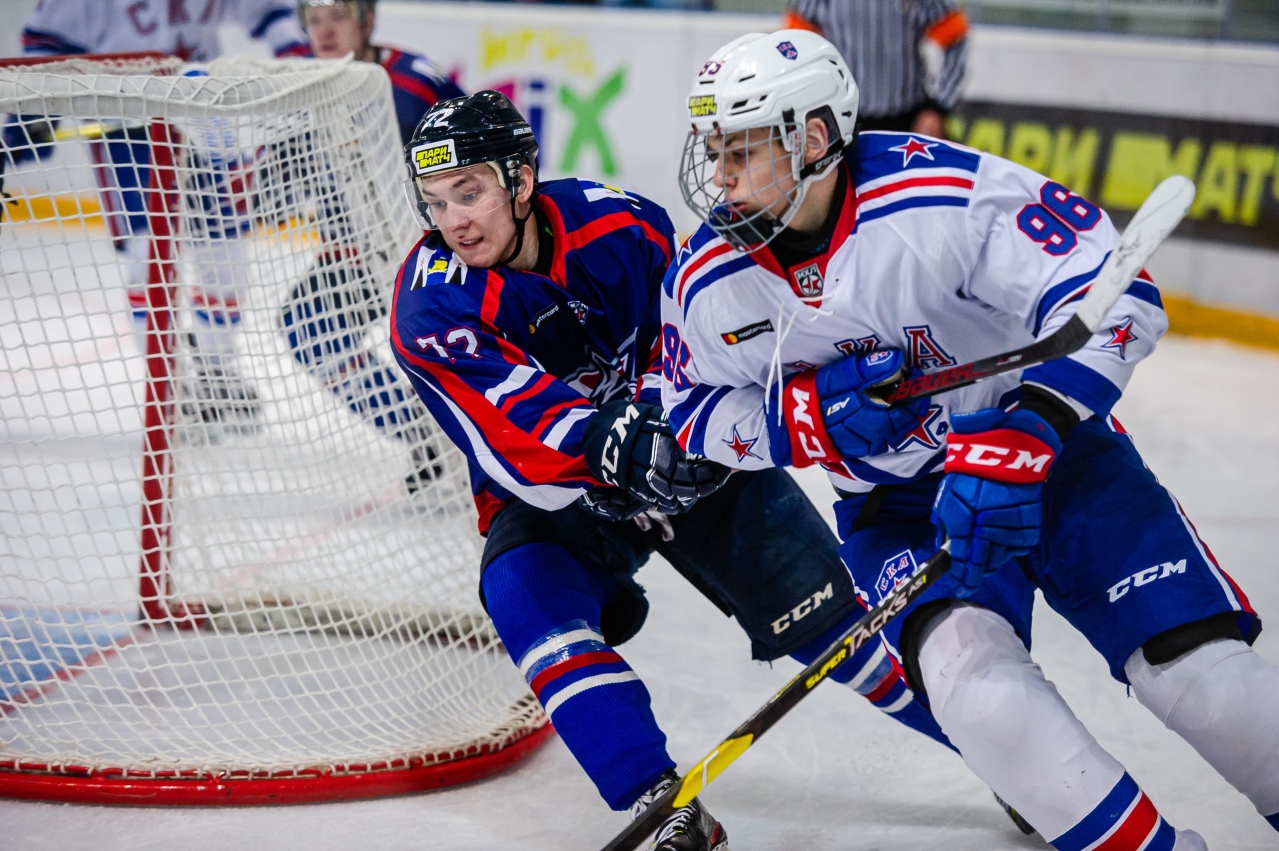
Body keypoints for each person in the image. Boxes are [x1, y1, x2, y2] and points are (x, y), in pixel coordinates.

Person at [662, 29, 1279, 849]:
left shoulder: (943, 197)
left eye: (740, 150)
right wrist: (804, 418)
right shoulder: (708, 278)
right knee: (976, 696)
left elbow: (1118, 297)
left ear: (811, 140)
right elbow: (692, 412)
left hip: (1059, 465)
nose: (720, 177)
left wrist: (1036, 421)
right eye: (713, 149)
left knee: (1201, 677)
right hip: (897, 506)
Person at [387, 91, 958, 849]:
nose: (453, 220)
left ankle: (1008, 755)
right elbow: (513, 428)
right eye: (435, 201)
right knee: (520, 593)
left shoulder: (620, 223)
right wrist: (616, 441)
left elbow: (700, 333)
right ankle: (659, 799)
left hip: (695, 458)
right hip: (562, 494)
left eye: (470, 192)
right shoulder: (430, 305)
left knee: (843, 635)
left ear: (522, 181)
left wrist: (687, 414)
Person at [10, 0, 309, 429]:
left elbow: (265, 12)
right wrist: (32, 108)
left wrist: (297, 67)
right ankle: (166, 385)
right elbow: (48, 36)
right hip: (126, 126)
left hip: (203, 117)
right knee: (147, 257)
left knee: (225, 257)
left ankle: (215, 370)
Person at [279, 0, 465, 491]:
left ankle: (481, 431)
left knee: (447, 346)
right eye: (314, 20)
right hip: (354, 257)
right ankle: (423, 431)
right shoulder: (299, 87)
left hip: (434, 253)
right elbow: (275, 176)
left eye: (336, 16)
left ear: (367, 20)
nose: (324, 31)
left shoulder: (415, 81)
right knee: (308, 328)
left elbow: (483, 152)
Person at [782, 0, 967, 138]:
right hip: (845, 119)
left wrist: (938, 109)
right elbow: (795, 48)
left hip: (909, 117)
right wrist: (812, 107)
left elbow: (955, 40)